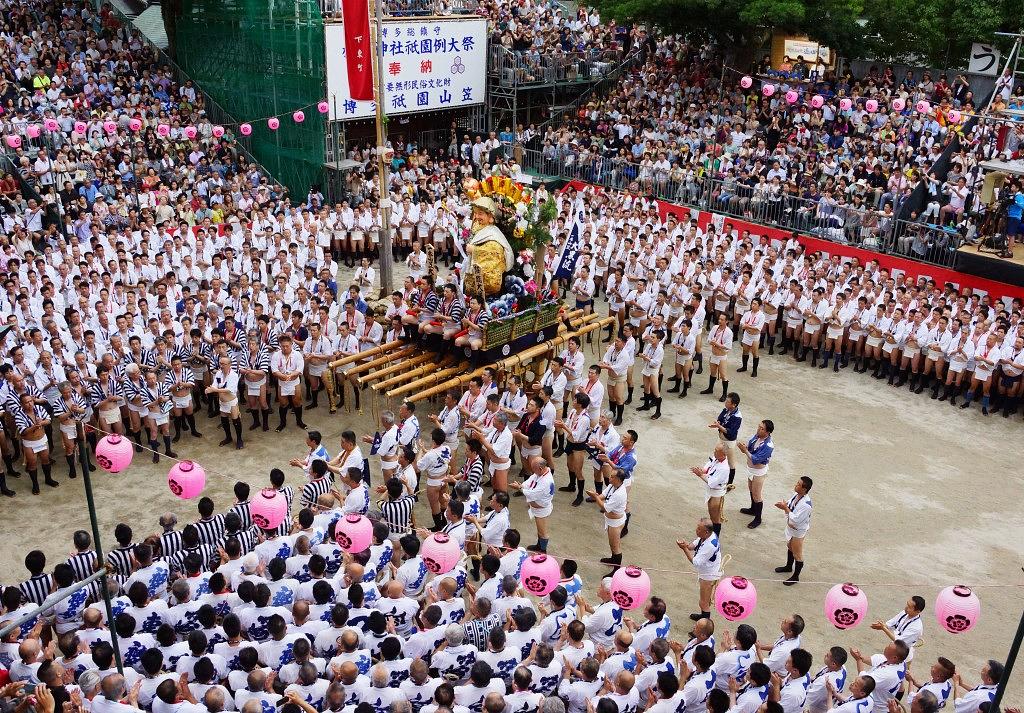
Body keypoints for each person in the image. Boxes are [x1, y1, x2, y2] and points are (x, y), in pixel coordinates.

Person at [677, 517, 721, 622]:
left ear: (706, 532)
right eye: (697, 528)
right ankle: (703, 616)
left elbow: (696, 562)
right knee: (703, 601)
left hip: (709, 575)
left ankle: (705, 625)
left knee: (704, 602)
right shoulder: (706, 536)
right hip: (706, 571)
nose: (696, 530)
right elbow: (694, 545)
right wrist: (686, 545)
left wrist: (684, 549)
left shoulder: (710, 545)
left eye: (699, 529)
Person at [509, 455, 554, 552]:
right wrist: (522, 485)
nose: (532, 471)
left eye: (534, 469)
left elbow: (532, 493)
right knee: (539, 530)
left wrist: (520, 488)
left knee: (542, 532)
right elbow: (530, 481)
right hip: (536, 506)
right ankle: (539, 545)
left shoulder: (546, 481)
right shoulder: (541, 473)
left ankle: (543, 550)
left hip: (541, 509)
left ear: (541, 468)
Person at [587, 467, 628, 572]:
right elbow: (603, 496)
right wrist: (595, 496)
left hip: (616, 522)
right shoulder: (612, 485)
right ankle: (613, 560)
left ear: (618, 479)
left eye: (612, 477)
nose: (609, 478)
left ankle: (615, 571)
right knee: (612, 543)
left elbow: (604, 507)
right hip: (611, 519)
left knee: (615, 546)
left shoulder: (620, 494)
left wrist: (595, 497)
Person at [774, 476, 813, 585]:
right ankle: (788, 566)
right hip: (791, 528)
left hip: (798, 531)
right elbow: (790, 505)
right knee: (789, 546)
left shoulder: (806, 505)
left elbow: (796, 520)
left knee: (797, 554)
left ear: (804, 489)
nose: (796, 485)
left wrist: (785, 508)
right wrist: (785, 505)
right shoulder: (796, 495)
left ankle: (796, 577)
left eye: (798, 484)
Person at [737, 419, 775, 529]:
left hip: (758, 472)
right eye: (759, 426)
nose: (758, 429)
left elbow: (756, 459)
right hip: (750, 469)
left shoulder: (768, 446)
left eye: (762, 428)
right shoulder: (756, 436)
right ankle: (753, 509)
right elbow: (750, 448)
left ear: (767, 432)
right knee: (751, 489)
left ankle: (758, 518)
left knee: (757, 495)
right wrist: (744, 448)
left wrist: (745, 451)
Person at [690, 444, 729, 537]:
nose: (714, 452)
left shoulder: (724, 468)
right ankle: (711, 536)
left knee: (715, 519)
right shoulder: (716, 458)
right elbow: (708, 468)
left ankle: (715, 539)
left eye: (716, 451)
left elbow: (712, 483)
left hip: (716, 494)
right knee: (712, 516)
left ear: (723, 454)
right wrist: (701, 471)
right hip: (711, 491)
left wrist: (700, 474)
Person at [206, 356, 243, 450]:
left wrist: (214, 390)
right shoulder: (218, 373)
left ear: (229, 365)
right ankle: (228, 437)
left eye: (224, 364)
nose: (221, 366)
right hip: (222, 402)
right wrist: (210, 389)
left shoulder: (233, 375)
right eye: (220, 363)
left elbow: (229, 389)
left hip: (231, 401)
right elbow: (215, 384)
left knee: (236, 420)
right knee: (224, 420)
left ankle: (239, 439)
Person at [271, 335, 307, 431]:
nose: (285, 348)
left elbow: (299, 369)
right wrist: (283, 376)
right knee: (283, 403)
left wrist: (290, 376)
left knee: (297, 402)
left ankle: (299, 421)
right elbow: (274, 370)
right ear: (280, 345)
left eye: (287, 346)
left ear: (291, 344)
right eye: (283, 346)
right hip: (282, 382)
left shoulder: (297, 354)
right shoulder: (276, 355)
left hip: (294, 381)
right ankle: (282, 423)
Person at [709, 392, 742, 487]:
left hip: (729, 442)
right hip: (721, 438)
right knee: (716, 455)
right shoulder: (727, 410)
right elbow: (720, 418)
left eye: (728, 402)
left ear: (734, 404)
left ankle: (729, 484)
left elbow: (730, 432)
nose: (725, 403)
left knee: (731, 462)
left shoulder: (737, 417)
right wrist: (717, 423)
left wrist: (718, 426)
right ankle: (714, 474)